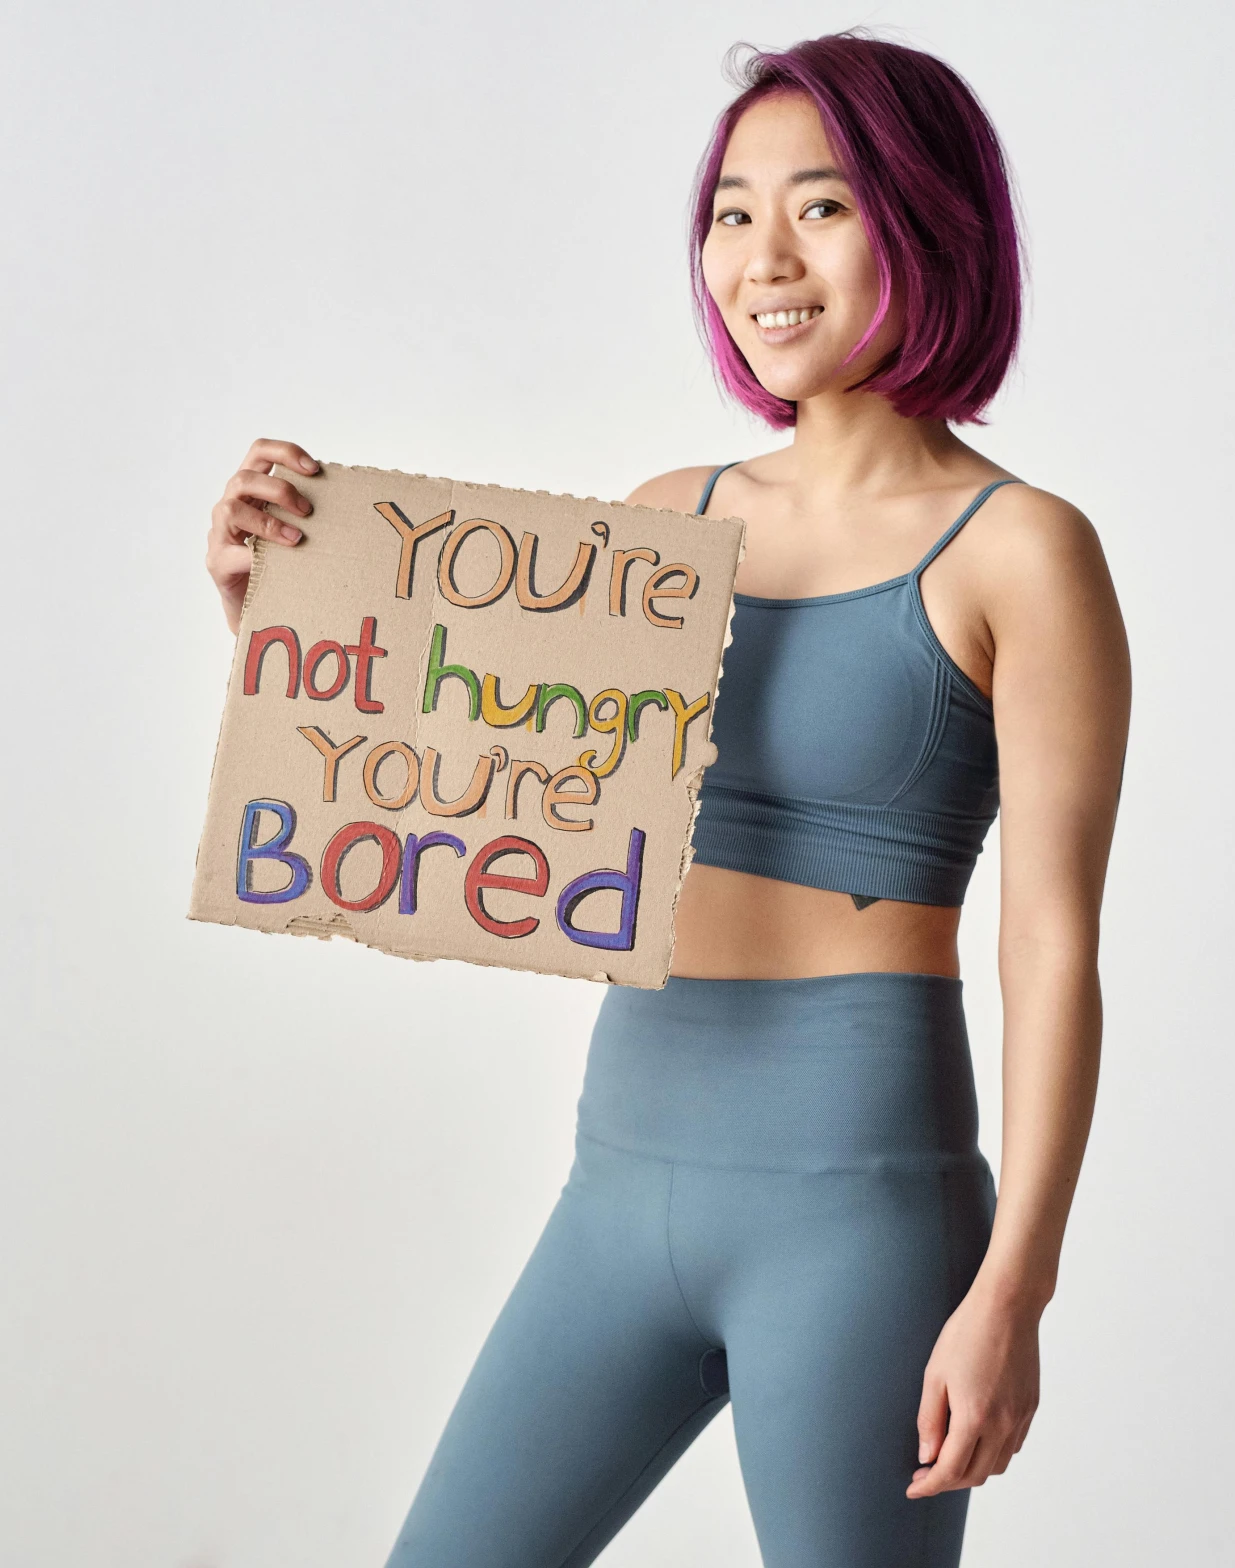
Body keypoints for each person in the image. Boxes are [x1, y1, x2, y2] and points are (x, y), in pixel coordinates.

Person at [202, 32, 1129, 1568]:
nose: (759, 255)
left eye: (821, 206)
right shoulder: (660, 524)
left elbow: (1051, 943)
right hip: (618, 1170)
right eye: (728, 210)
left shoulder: (1018, 551)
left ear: (926, 221)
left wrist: (1012, 1290)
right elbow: (466, 794)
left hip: (858, 1209)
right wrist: (270, 617)